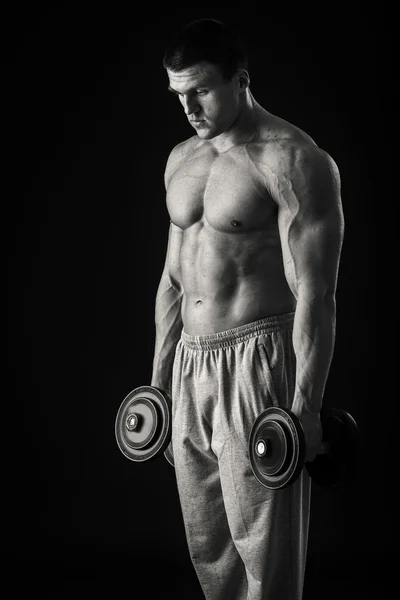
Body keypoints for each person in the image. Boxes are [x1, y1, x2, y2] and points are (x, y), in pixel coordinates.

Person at [150, 17, 344, 600]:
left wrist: (305, 409)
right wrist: (160, 381)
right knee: (210, 549)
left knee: (265, 548)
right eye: (178, 94)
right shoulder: (181, 159)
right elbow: (172, 279)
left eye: (201, 90)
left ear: (242, 79)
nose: (188, 108)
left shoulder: (293, 160)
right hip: (190, 366)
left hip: (257, 363)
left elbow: (317, 292)